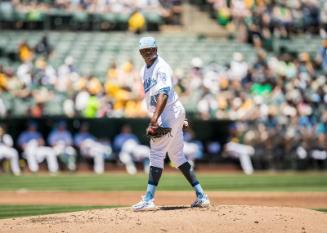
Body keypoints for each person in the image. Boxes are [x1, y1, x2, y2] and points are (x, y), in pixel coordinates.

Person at [132, 37, 210, 211]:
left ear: (156, 48)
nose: (148, 53)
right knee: (177, 157)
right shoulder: (143, 70)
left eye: (151, 49)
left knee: (156, 153)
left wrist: (155, 119)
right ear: (140, 52)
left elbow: (165, 94)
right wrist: (176, 118)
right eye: (144, 51)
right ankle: (201, 196)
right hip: (169, 113)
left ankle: (149, 199)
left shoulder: (162, 67)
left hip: (168, 112)